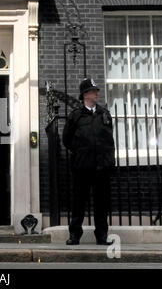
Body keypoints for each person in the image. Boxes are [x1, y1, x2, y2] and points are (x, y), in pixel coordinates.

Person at [62, 78, 115, 245]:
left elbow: (109, 140)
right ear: (85, 94)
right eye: (93, 91)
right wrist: (80, 154)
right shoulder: (76, 116)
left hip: (102, 167)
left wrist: (108, 160)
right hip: (82, 167)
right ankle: (74, 235)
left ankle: (102, 236)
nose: (96, 93)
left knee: (102, 204)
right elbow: (67, 139)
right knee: (79, 203)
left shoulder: (104, 114)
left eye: (96, 91)